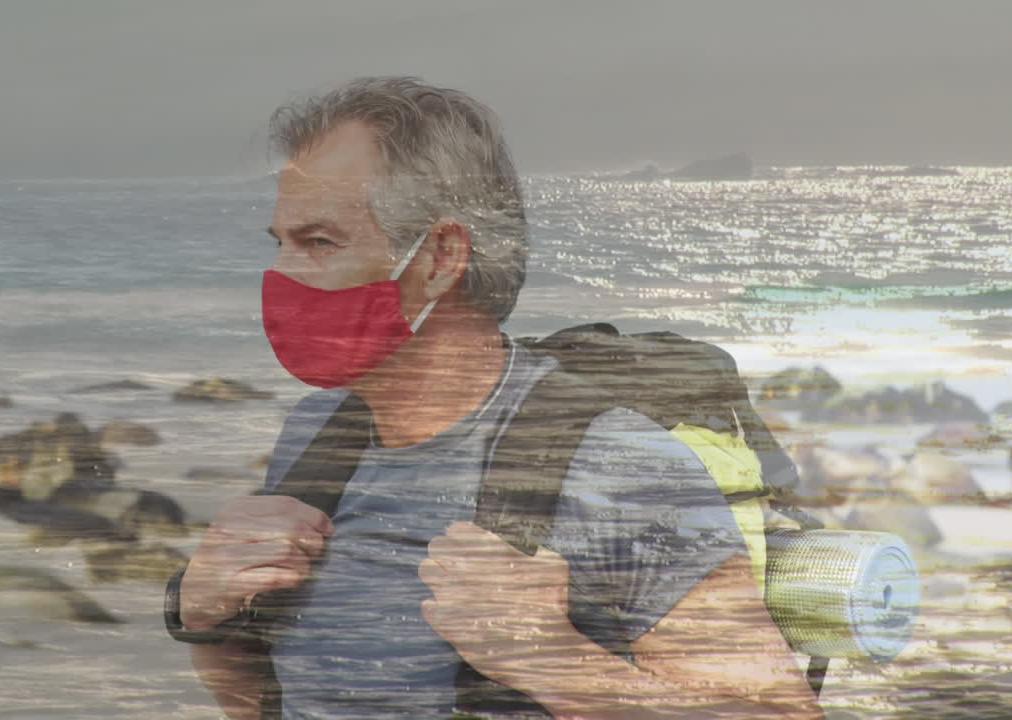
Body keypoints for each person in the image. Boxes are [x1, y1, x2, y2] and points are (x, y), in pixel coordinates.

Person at [169, 76, 824, 720]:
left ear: (441, 256)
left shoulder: (616, 463)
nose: (282, 275)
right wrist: (202, 615)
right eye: (279, 243)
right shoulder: (318, 436)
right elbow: (266, 703)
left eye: (319, 243)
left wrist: (553, 660)